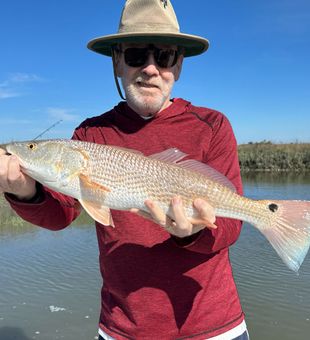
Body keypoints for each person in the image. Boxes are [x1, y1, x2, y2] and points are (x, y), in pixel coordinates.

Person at [0, 0, 249, 339]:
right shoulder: (89, 134)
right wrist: (24, 191)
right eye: (135, 55)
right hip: (122, 328)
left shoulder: (212, 125)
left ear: (179, 65)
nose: (150, 68)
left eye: (163, 56)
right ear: (117, 61)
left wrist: (189, 232)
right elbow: (61, 215)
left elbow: (231, 227)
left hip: (215, 327)